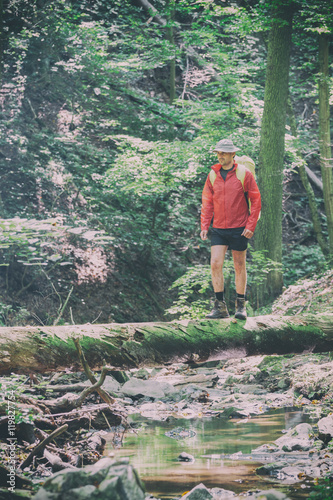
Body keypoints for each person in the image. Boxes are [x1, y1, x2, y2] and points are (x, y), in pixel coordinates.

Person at [200, 139, 261, 320]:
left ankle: (240, 306)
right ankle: (220, 307)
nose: (220, 156)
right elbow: (207, 201)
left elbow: (256, 201)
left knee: (239, 265)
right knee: (215, 264)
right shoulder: (212, 175)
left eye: (224, 153)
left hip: (239, 228)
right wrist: (204, 225)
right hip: (219, 228)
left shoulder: (244, 174)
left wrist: (251, 226)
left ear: (233, 154)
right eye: (219, 153)